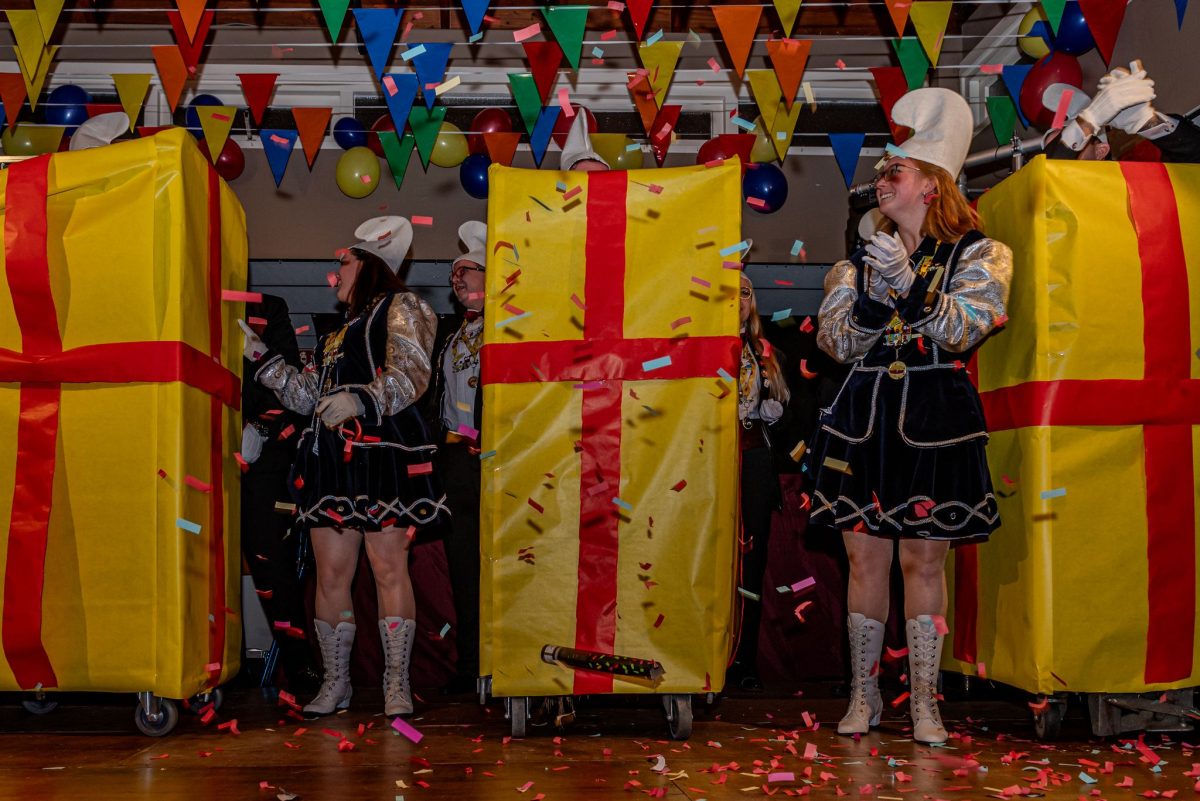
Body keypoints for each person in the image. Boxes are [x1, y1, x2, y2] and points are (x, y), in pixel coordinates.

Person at [806, 88, 1013, 744]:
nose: (880, 179)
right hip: (862, 424)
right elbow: (835, 343)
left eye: (894, 170)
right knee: (864, 563)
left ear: (931, 185)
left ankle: (925, 701)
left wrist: (913, 285)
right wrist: (878, 292)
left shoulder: (981, 254)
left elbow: (966, 328)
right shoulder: (853, 265)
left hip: (936, 422)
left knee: (924, 564)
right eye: (881, 171)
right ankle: (863, 694)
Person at [240, 216, 448, 719]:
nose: (336, 272)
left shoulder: (405, 306)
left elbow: (412, 374)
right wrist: (263, 360)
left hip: (383, 457)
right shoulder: (336, 334)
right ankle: (337, 683)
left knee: (387, 567)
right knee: (331, 575)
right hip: (330, 461)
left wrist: (360, 400)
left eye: (345, 261)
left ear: (370, 264)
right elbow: (308, 397)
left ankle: (396, 683)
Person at [240, 294, 320, 693]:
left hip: (263, 459)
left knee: (272, 561)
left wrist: (258, 427)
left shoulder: (268, 307)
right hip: (193, 456)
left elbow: (290, 383)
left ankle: (300, 668)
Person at [426, 220, 488, 695]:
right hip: (456, 461)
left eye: (465, 270)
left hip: (496, 457)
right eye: (453, 273)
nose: (456, 278)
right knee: (463, 566)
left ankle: (503, 661)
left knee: (500, 563)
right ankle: (470, 664)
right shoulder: (451, 333)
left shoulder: (509, 329)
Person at [728, 271, 790, 691]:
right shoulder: (701, 350)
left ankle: (745, 661)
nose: (738, 298)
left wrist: (776, 415)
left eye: (745, 292)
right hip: (710, 457)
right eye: (729, 291)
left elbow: (790, 414)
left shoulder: (767, 353)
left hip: (753, 458)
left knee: (752, 561)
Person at [1058, 60, 1200, 164]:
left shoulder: (1144, 177)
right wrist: (1088, 121)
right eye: (1072, 147)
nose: (1053, 163)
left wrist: (1147, 122)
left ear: (1100, 151)